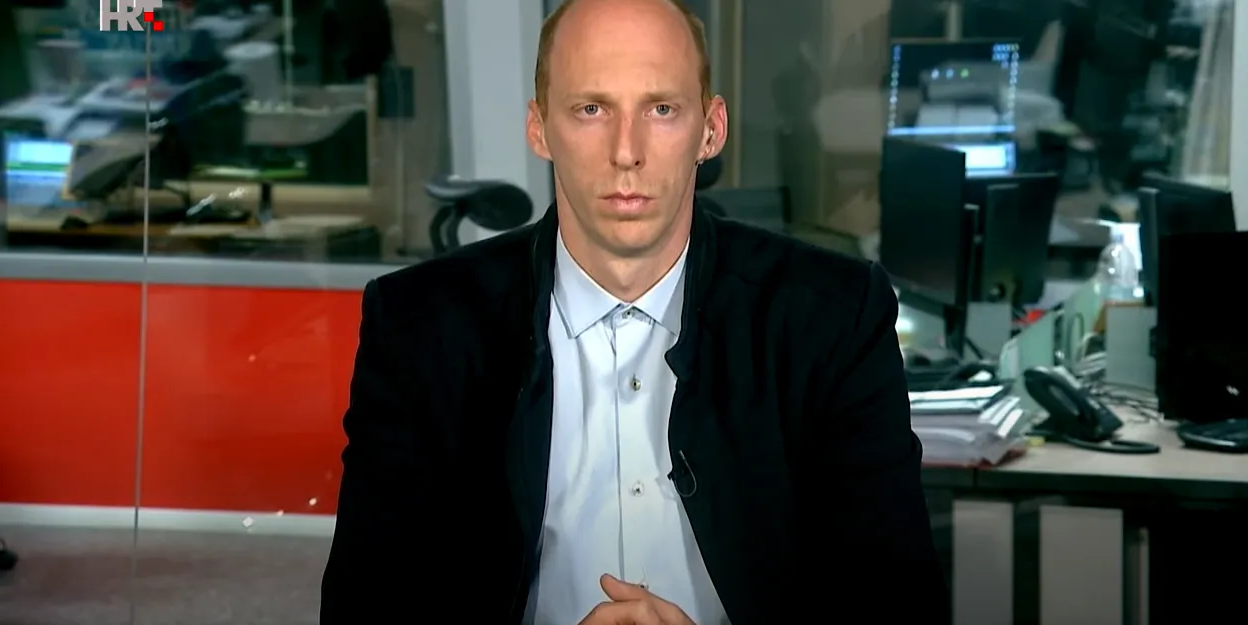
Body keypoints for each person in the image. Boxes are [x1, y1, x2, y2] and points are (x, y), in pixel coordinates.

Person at [320, 0, 948, 623]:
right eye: (591, 109)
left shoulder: (831, 319)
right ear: (539, 128)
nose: (627, 151)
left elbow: (898, 608)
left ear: (711, 130)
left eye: (661, 109)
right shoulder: (421, 326)